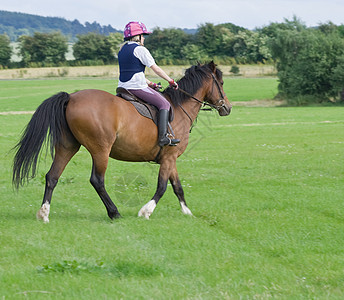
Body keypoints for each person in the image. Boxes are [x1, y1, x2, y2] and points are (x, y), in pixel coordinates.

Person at [117, 21, 180, 147]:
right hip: (136, 88)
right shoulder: (140, 50)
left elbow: (134, 72)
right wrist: (170, 81)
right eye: (143, 35)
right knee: (164, 104)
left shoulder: (122, 49)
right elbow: (155, 69)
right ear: (137, 36)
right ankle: (163, 138)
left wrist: (151, 84)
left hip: (122, 88)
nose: (144, 38)